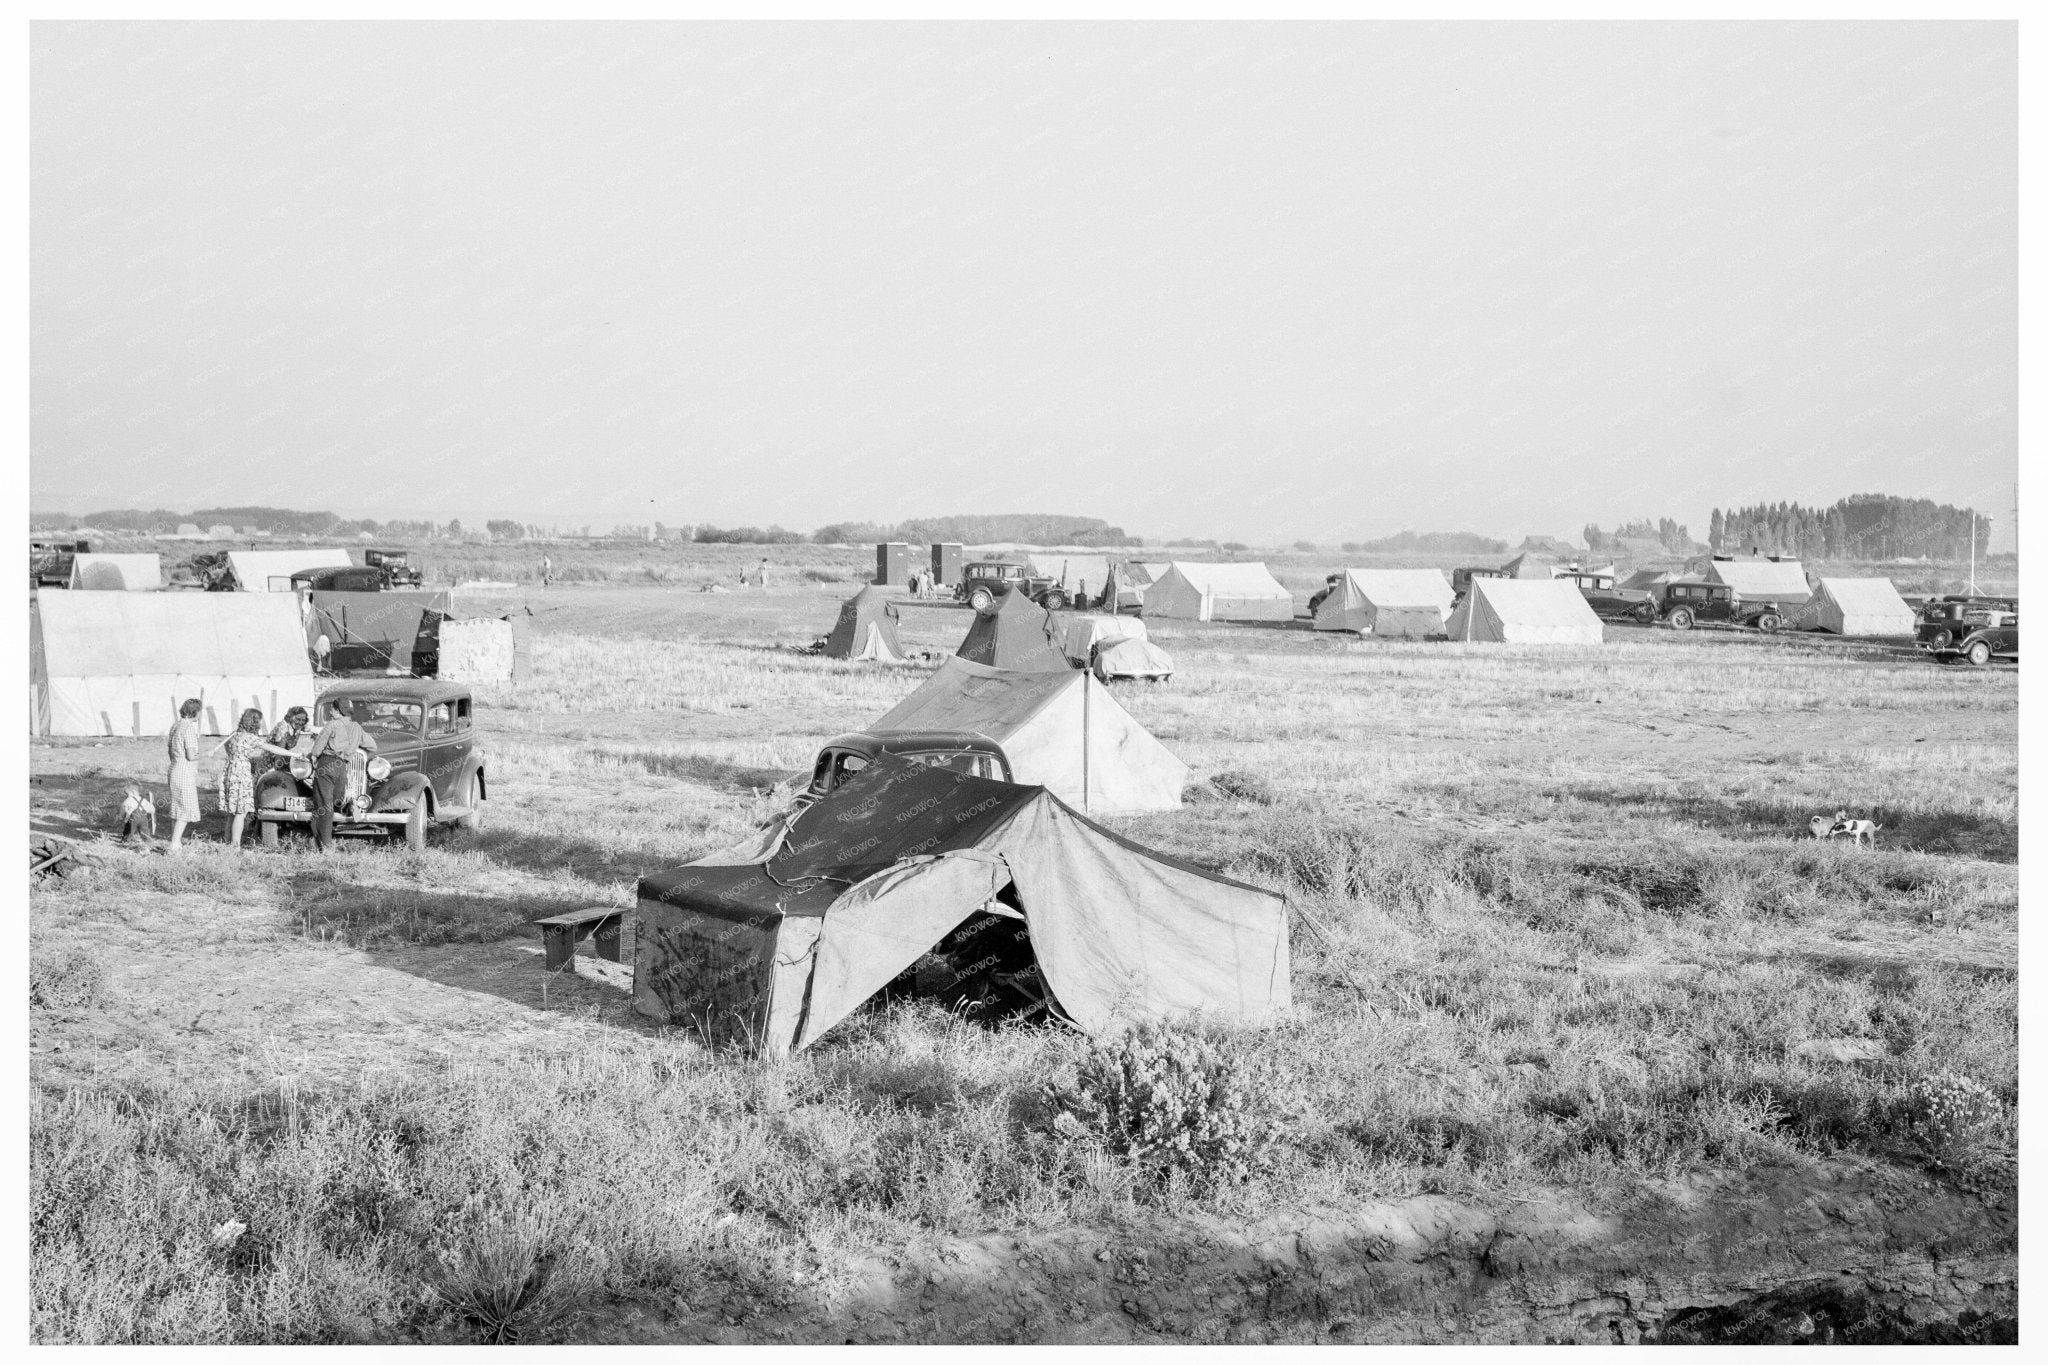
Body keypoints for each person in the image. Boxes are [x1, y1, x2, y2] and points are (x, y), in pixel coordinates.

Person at [215, 708, 296, 850]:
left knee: (231, 812)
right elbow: (273, 749)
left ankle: (227, 843)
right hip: (242, 773)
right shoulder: (250, 738)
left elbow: (227, 749)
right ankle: (235, 846)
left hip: (230, 770)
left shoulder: (233, 735)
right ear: (255, 722)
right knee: (241, 811)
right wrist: (295, 754)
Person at [305, 702, 378, 853]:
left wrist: (313, 755)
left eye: (332, 709)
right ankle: (351, 811)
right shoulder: (357, 727)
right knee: (337, 801)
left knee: (324, 806)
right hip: (342, 767)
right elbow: (372, 746)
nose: (330, 711)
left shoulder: (332, 725)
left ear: (338, 710)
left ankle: (325, 847)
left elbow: (317, 748)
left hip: (326, 764)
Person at [165, 698, 203, 852]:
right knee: (186, 808)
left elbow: (170, 750)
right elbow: (191, 755)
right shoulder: (188, 728)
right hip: (184, 771)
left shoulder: (175, 725)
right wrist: (207, 754)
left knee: (178, 807)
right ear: (195, 712)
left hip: (174, 767)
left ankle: (177, 842)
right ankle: (174, 844)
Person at [268, 707, 310, 773]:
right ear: (291, 718)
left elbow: (312, 729)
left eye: (303, 720)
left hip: (283, 758)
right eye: (298, 719)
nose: (300, 722)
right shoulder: (283, 728)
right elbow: (279, 751)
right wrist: (277, 769)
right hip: (271, 760)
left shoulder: (298, 726)